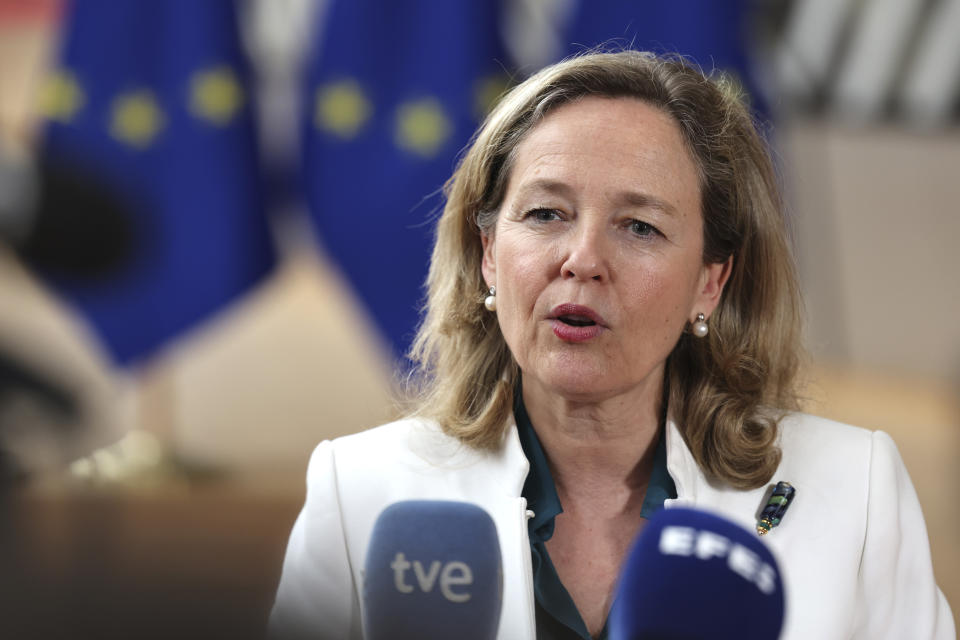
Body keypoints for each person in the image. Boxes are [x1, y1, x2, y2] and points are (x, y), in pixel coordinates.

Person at [268, 50, 955, 639]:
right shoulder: (361, 492)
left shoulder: (852, 489)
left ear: (710, 284)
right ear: (486, 255)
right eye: (545, 214)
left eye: (640, 228)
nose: (583, 258)